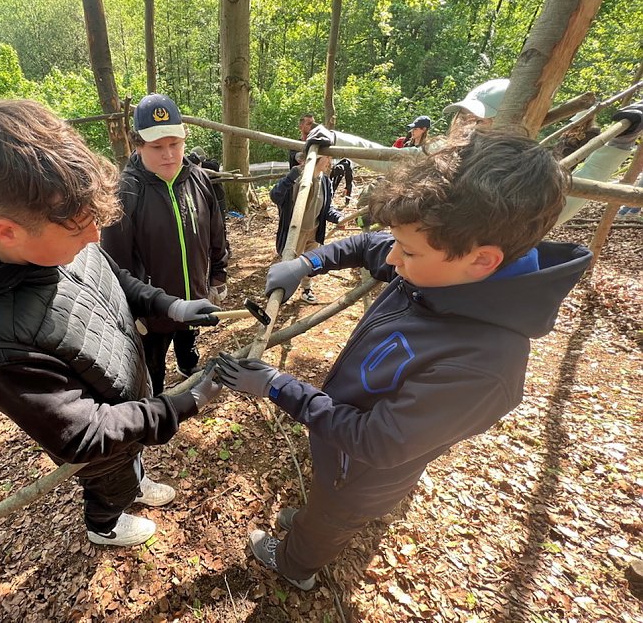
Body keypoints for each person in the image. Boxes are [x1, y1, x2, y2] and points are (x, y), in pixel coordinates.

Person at [214, 130, 593, 591]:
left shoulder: (483, 368)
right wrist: (307, 265)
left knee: (334, 514)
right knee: (326, 502)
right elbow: (365, 245)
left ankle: (297, 562)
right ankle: (317, 519)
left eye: (408, 252)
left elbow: (378, 442)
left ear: (482, 261)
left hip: (365, 471)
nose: (392, 258)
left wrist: (279, 387)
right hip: (341, 449)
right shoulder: (440, 264)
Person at [0, 99, 223, 547]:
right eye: (79, 230)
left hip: (126, 395)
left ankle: (135, 484)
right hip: (103, 439)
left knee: (130, 459)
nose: (95, 238)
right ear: (8, 231)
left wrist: (169, 306)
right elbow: (85, 435)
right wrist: (188, 401)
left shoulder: (55, 226)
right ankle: (105, 524)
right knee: (109, 477)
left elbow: (111, 276)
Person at [305, 82, 643, 226]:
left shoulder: (520, 175)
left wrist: (618, 145)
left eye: (477, 118)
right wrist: (333, 136)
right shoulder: (444, 151)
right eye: (462, 115)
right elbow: (385, 156)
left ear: (509, 123)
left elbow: (572, 197)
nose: (465, 123)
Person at [101, 94, 229, 393]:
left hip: (193, 294)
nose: (168, 154)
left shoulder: (198, 179)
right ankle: (155, 400)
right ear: (138, 144)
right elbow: (115, 263)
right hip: (152, 311)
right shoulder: (126, 192)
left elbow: (216, 233)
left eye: (175, 144)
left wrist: (218, 276)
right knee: (152, 365)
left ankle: (187, 364)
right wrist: (132, 310)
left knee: (188, 336)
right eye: (157, 146)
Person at [269, 154, 344, 303]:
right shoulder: (296, 179)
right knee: (289, 265)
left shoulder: (325, 181)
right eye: (327, 158)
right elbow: (275, 196)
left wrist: (338, 217)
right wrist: (290, 177)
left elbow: (328, 208)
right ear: (316, 158)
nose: (329, 162)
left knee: (310, 262)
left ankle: (306, 289)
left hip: (314, 230)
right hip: (295, 232)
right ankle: (279, 292)